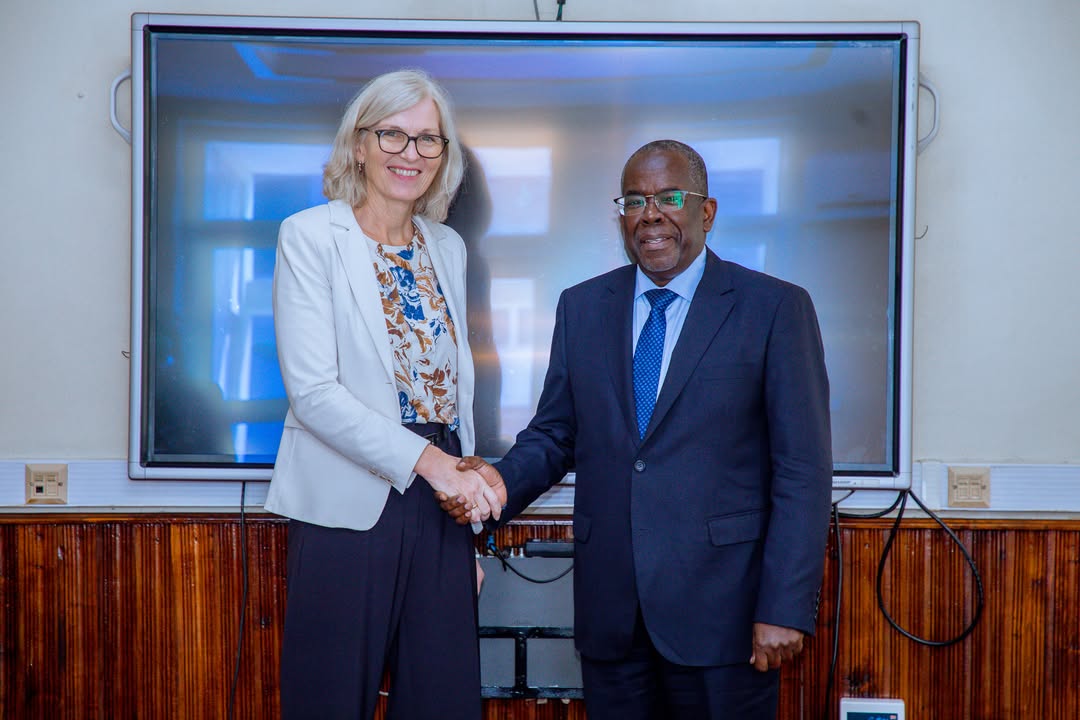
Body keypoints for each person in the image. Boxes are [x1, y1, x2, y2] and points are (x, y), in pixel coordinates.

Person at [440, 139, 832, 719]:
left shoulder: (774, 308)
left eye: (669, 198)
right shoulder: (582, 307)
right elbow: (555, 434)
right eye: (634, 200)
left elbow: (802, 471)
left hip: (726, 617)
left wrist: (785, 606)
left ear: (706, 211)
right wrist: (497, 483)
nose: (650, 214)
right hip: (613, 618)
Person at [265, 68, 499, 720]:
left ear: (443, 156)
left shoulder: (446, 247)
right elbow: (314, 393)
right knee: (330, 701)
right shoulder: (310, 236)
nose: (410, 153)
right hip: (347, 503)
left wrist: (468, 536)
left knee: (443, 702)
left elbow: (451, 398)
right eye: (392, 134)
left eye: (428, 139)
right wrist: (430, 464)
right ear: (360, 144)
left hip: (441, 505)